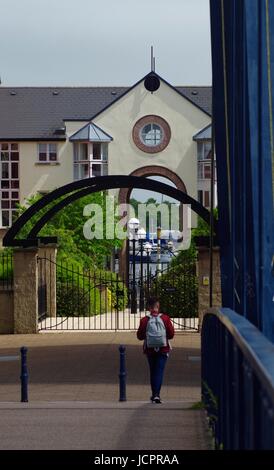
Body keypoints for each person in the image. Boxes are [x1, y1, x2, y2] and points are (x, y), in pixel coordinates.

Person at [137, 296, 175, 404]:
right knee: (159, 371)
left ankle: (154, 394)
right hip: (163, 349)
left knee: (153, 371)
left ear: (149, 307)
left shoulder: (144, 320)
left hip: (150, 349)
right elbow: (171, 335)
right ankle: (156, 395)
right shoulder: (165, 318)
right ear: (158, 306)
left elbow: (139, 336)